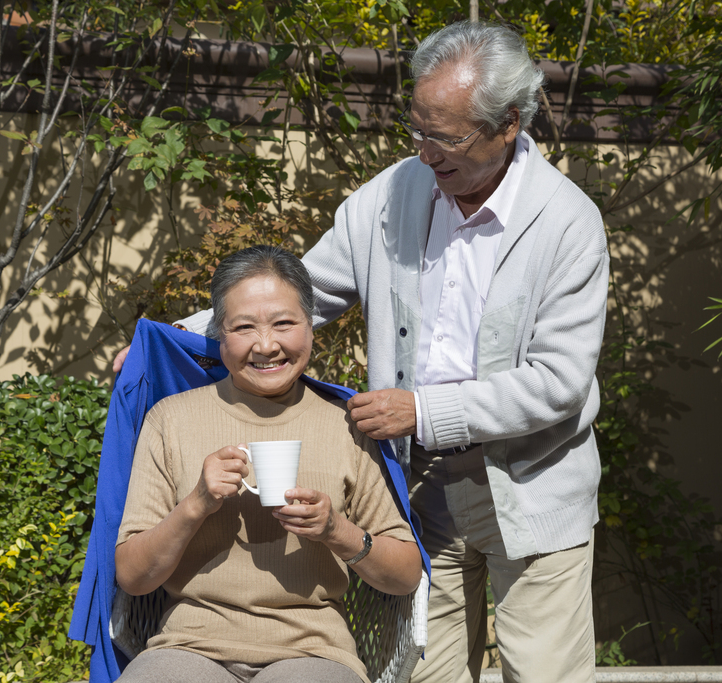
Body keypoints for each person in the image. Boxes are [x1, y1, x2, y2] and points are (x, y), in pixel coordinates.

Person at [126, 21, 608, 683]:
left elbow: (559, 381)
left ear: (509, 124)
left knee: (544, 673)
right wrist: (170, 340)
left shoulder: (567, 223)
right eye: (418, 130)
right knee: (428, 673)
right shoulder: (394, 193)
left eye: (445, 137)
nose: (426, 153)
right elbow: (299, 296)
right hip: (420, 484)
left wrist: (423, 411)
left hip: (532, 482)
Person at [113, 244, 423, 683]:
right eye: (243, 327)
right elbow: (132, 577)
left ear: (311, 328)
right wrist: (196, 503)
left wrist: (337, 530)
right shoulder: (171, 419)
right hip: (188, 648)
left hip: (314, 653)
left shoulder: (347, 424)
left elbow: (406, 575)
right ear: (220, 333)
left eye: (284, 323)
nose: (266, 345)